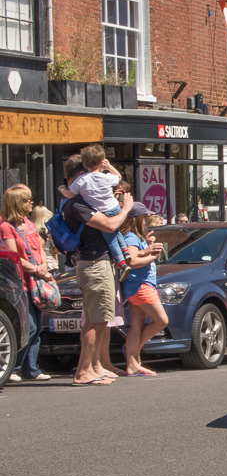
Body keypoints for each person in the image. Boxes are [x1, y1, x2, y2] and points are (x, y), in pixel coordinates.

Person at [62, 153, 134, 385]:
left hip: (95, 263)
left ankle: (92, 367)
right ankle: (84, 371)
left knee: (95, 320)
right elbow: (111, 224)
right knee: (98, 320)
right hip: (95, 263)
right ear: (81, 174)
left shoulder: (82, 200)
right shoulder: (78, 205)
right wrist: (125, 208)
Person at [0, 185, 53, 382]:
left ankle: (31, 368)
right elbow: (14, 256)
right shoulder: (6, 227)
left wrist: (44, 266)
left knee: (37, 326)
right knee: (28, 326)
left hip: (37, 280)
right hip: (22, 281)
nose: (31, 202)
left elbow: (41, 248)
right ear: (16, 203)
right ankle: (14, 366)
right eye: (27, 200)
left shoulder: (28, 223)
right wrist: (37, 269)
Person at [61, 145, 132, 280]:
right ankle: (124, 254)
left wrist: (63, 190)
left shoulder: (82, 181)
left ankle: (122, 261)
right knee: (114, 232)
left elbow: (70, 193)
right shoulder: (103, 177)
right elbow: (110, 226)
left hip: (103, 212)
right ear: (101, 162)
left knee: (112, 236)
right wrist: (126, 209)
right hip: (113, 208)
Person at [118, 203, 165, 376]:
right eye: (144, 217)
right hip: (140, 285)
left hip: (139, 285)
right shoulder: (131, 237)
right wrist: (151, 254)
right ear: (138, 219)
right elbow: (131, 262)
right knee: (161, 320)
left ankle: (132, 362)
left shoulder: (135, 237)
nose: (146, 220)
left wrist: (147, 247)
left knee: (137, 324)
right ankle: (132, 354)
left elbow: (137, 255)